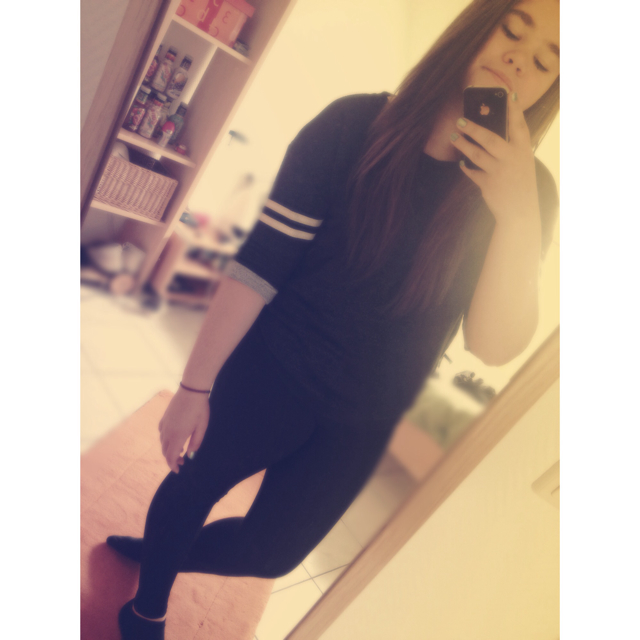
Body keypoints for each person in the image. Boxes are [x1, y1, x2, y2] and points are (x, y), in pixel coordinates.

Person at [111, 0, 560, 637]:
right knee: (192, 488)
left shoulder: (530, 197)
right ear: (477, 25)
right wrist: (193, 388)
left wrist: (515, 214)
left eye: (546, 62)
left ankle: (163, 551)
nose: (519, 59)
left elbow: (492, 345)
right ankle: (145, 606)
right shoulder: (354, 124)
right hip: (274, 366)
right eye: (513, 29)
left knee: (272, 554)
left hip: (367, 413)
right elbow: (260, 265)